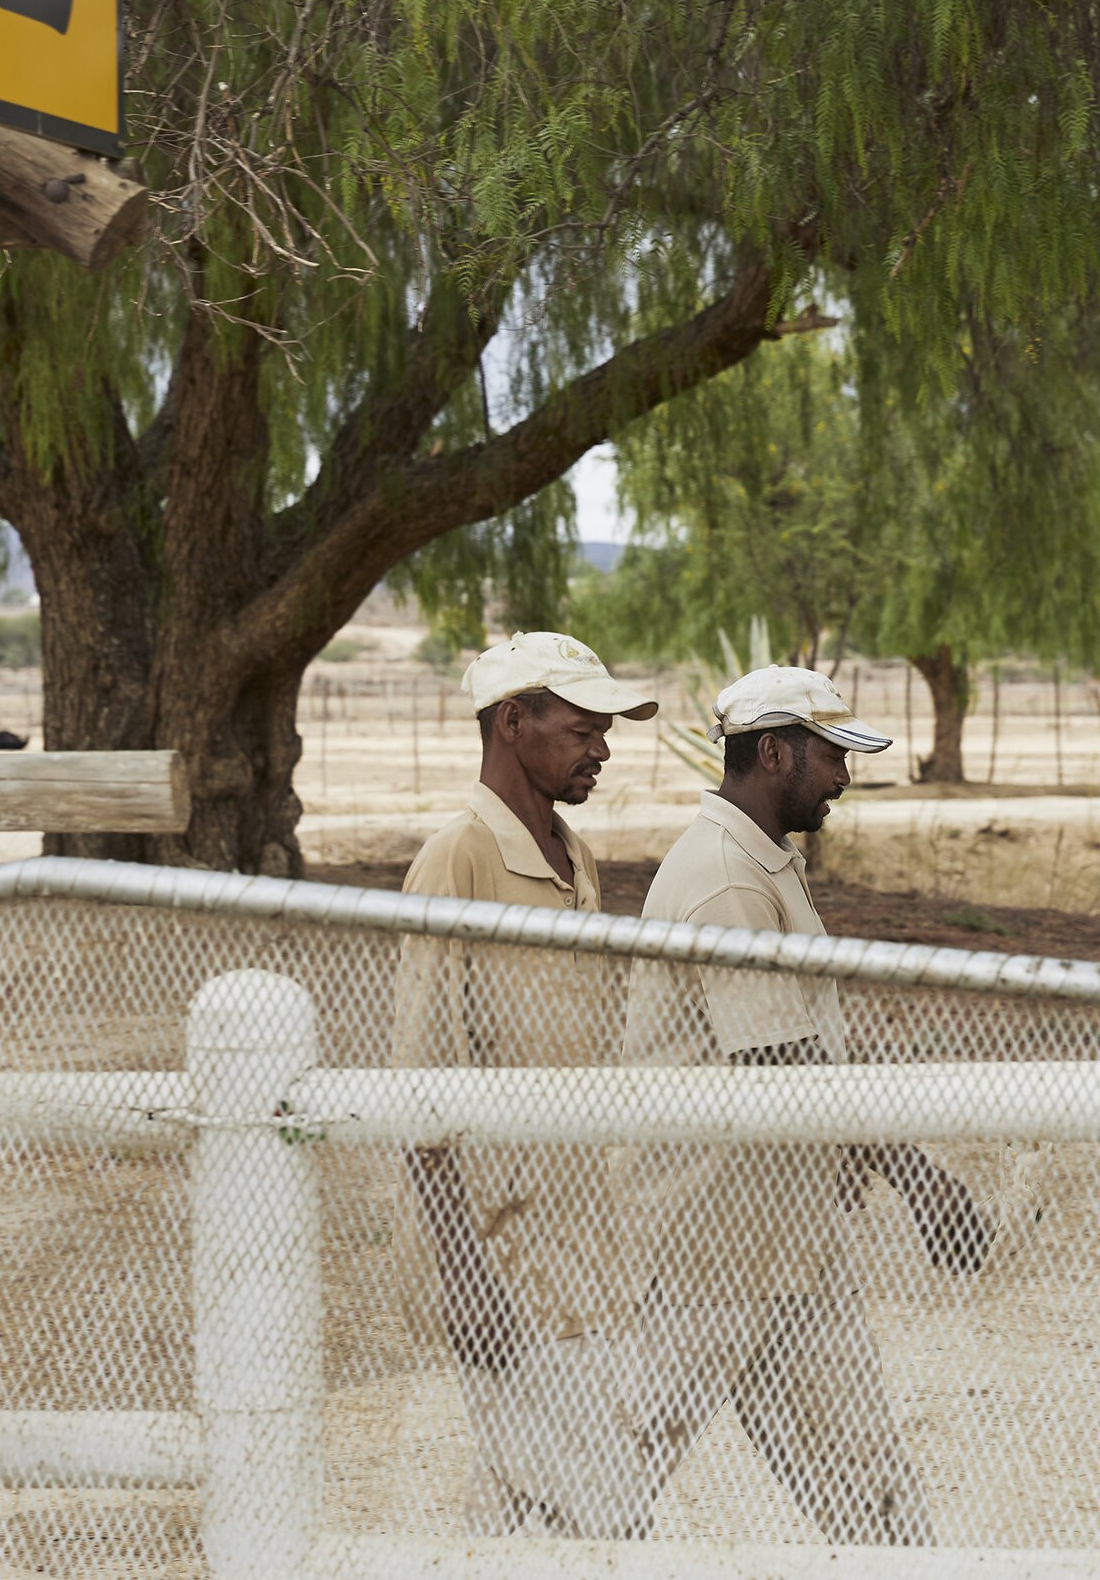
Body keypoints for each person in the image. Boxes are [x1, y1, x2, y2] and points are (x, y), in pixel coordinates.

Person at [611, 664, 991, 1544]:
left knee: (868, 1489)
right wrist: (918, 1177)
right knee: (611, 1478)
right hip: (709, 1244)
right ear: (774, 750)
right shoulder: (723, 876)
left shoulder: (757, 859)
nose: (843, 776)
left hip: (781, 1235)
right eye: (832, 756)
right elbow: (787, 1063)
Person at [390, 630, 659, 1536]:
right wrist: (463, 1272)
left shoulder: (574, 858)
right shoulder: (457, 860)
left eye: (604, 732)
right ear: (514, 722)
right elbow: (420, 1081)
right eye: (583, 730)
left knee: (525, 1513)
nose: (602, 750)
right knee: (602, 1510)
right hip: (504, 1256)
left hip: (584, 1239)